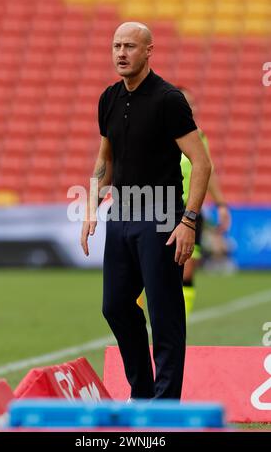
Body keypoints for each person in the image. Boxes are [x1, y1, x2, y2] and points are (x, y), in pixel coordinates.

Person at [81, 22, 211, 400]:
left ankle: (165, 402)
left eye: (130, 47)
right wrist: (91, 207)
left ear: (149, 51)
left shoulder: (169, 99)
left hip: (162, 218)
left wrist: (188, 221)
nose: (121, 53)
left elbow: (201, 164)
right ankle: (141, 391)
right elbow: (105, 160)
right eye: (116, 46)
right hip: (120, 215)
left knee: (164, 312)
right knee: (116, 306)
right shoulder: (107, 98)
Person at [137, 87, 231, 318]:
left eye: (193, 104)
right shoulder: (159, 133)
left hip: (191, 210)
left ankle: (181, 322)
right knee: (152, 268)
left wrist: (221, 204)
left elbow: (207, 170)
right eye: (186, 103)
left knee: (188, 269)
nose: (191, 108)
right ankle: (139, 320)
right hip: (163, 209)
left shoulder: (198, 136)